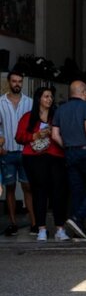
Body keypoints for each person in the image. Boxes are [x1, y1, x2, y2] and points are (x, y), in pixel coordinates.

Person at [15, 86, 68, 242]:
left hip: (56, 156)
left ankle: (60, 229)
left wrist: (54, 132)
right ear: (39, 99)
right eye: (46, 96)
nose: (49, 99)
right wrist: (35, 135)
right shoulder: (28, 117)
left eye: (51, 96)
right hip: (34, 158)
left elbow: (65, 134)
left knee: (58, 193)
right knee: (39, 192)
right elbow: (19, 137)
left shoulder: (56, 116)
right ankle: (41, 229)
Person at [51, 80, 86, 240]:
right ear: (84, 92)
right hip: (85, 151)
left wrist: (67, 146)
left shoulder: (61, 109)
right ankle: (78, 218)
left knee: (76, 191)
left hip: (69, 153)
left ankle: (78, 229)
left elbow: (54, 135)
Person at [0, 67, 34, 236]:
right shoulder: (0, 102)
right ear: (9, 82)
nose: (17, 84)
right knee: (10, 187)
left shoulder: (30, 102)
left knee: (28, 186)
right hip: (7, 152)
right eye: (14, 81)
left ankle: (34, 222)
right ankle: (13, 223)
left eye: (20, 81)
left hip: (25, 151)